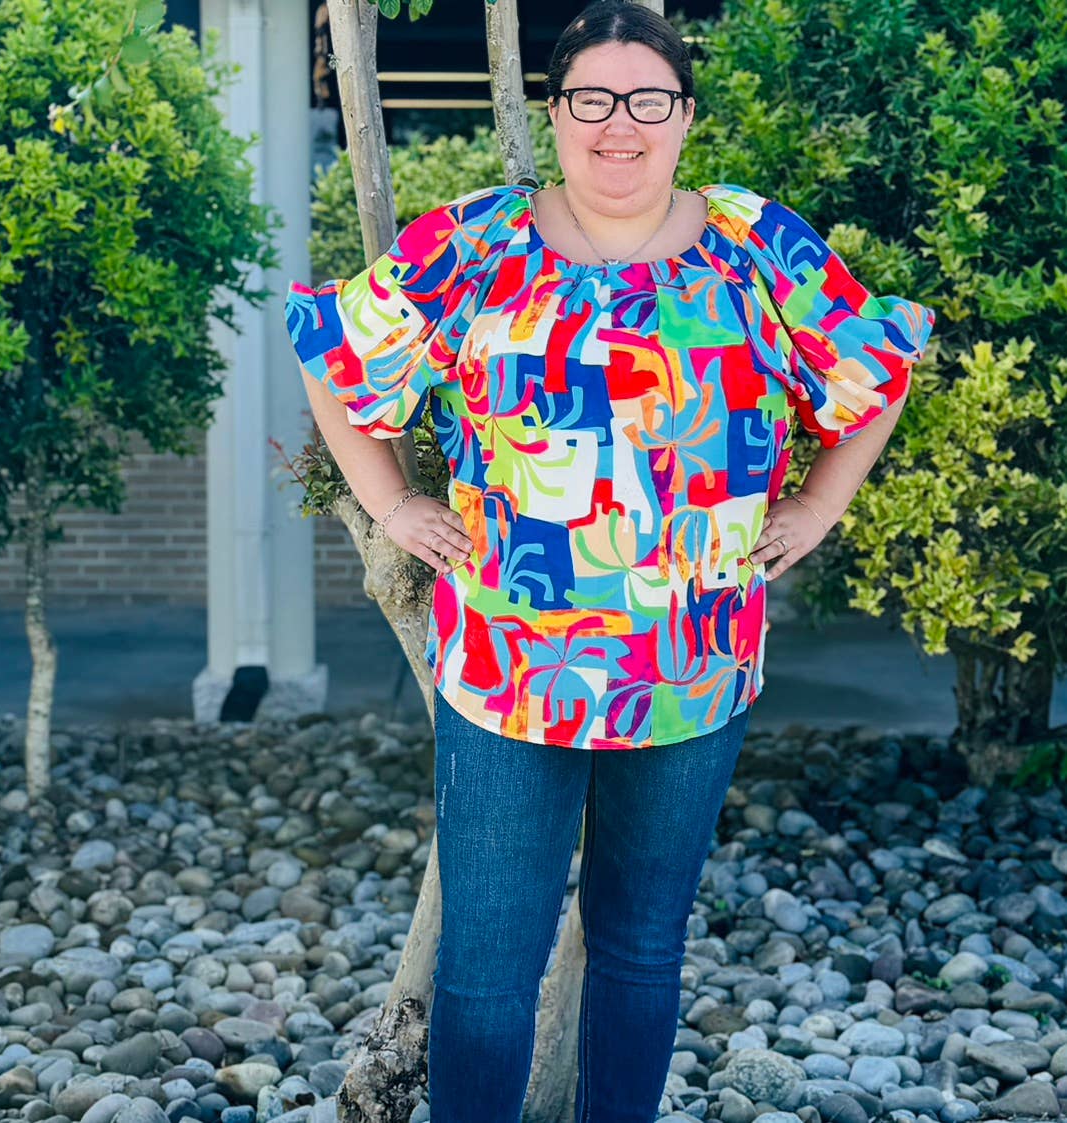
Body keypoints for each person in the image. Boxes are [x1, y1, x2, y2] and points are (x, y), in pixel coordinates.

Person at [285, 2, 934, 1118]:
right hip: (509, 665)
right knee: (486, 970)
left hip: (692, 664)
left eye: (648, 98)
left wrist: (820, 504)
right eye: (591, 97)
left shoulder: (755, 244)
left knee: (639, 948)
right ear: (556, 112)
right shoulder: (476, 244)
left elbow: (875, 369)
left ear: (684, 115)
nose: (618, 123)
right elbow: (333, 352)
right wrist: (391, 502)